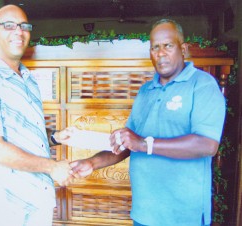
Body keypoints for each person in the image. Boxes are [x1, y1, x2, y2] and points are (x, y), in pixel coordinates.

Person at [70, 19, 226, 226]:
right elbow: (128, 144)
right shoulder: (145, 91)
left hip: (182, 216)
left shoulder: (203, 85)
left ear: (184, 49)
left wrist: (144, 144)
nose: (161, 53)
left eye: (168, 46)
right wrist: (91, 163)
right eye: (155, 47)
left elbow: (207, 145)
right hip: (144, 214)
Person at [0, 4, 74, 226]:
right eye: (8, 25)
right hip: (1, 209)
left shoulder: (28, 79)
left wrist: (55, 137)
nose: (18, 31)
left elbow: (20, 130)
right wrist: (52, 167)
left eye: (24, 26)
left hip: (36, 202)